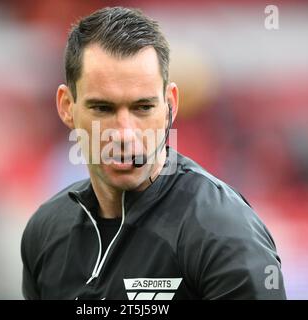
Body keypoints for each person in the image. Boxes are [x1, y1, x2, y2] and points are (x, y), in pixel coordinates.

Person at [21, 6, 286, 300]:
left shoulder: (222, 231)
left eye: (142, 108)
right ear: (67, 107)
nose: (124, 132)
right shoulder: (45, 231)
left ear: (170, 104)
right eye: (102, 108)